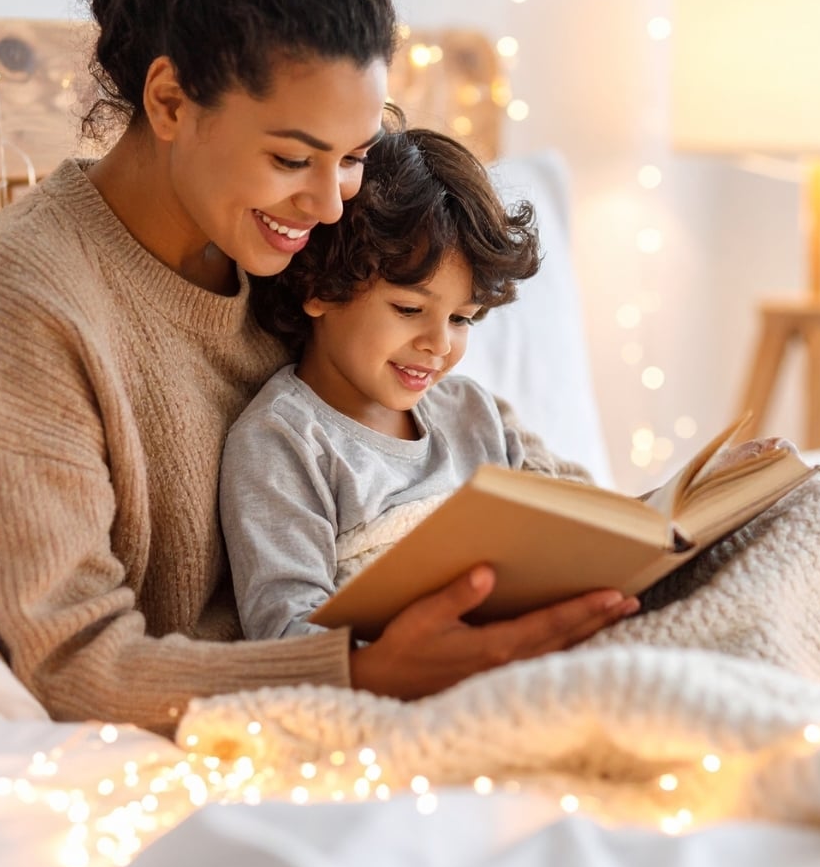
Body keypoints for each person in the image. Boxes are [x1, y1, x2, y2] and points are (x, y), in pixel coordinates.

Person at [0, 0, 639, 740]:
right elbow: (78, 663)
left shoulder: (308, 250)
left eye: (355, 157)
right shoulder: (25, 299)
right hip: (296, 721)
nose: (330, 203)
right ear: (171, 101)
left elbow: (491, 443)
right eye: (294, 158)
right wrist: (360, 674)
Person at [221, 124, 607, 640]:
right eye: (409, 309)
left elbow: (561, 525)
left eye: (462, 319)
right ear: (321, 289)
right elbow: (285, 631)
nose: (440, 345)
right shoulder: (285, 440)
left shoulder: (469, 410)